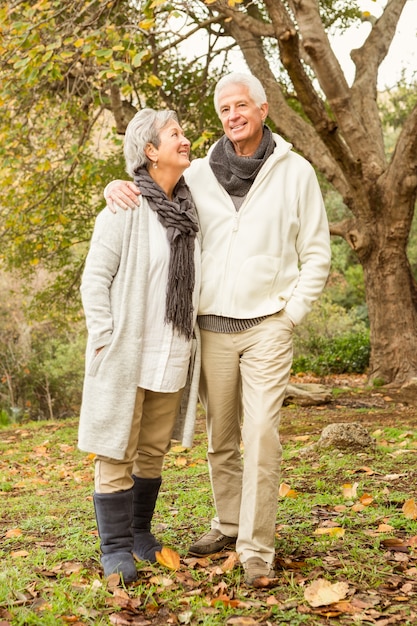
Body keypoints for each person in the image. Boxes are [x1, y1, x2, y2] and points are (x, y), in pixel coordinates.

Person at [104, 72, 331, 586]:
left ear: (263, 108)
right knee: (221, 439)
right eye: (224, 109)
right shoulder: (198, 174)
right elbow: (150, 188)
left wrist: (290, 314)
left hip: (267, 325)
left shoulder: (295, 173)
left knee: (261, 434)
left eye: (241, 106)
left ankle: (256, 549)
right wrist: (114, 183)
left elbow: (317, 253)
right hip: (211, 329)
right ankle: (228, 523)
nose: (233, 115)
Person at [78, 108, 201, 583]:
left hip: (171, 349)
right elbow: (94, 280)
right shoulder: (124, 208)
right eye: (175, 135)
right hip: (127, 351)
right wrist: (104, 338)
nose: (184, 140)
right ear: (151, 151)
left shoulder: (191, 209)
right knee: (116, 448)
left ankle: (139, 534)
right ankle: (113, 548)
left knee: (152, 450)